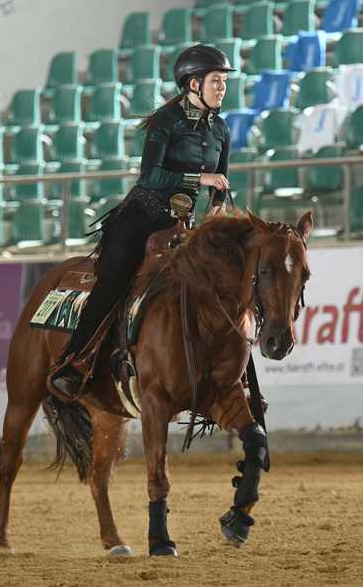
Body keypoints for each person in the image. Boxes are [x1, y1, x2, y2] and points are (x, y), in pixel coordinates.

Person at [50, 44, 235, 398]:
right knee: (114, 279)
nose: (222, 88)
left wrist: (217, 206)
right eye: (216, 81)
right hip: (140, 218)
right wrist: (200, 179)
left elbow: (222, 179)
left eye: (224, 82)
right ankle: (75, 362)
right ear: (193, 84)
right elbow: (150, 176)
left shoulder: (222, 130)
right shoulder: (166, 121)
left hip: (183, 227)